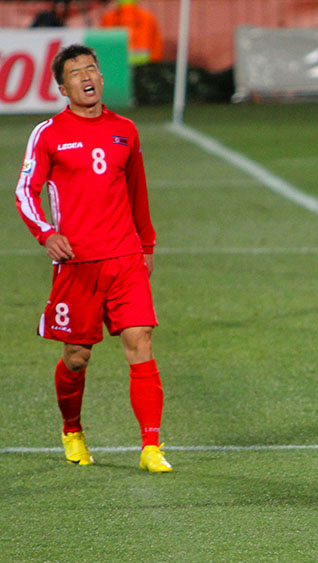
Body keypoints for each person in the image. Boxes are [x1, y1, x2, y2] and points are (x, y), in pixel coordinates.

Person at [15, 44, 172, 473]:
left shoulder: (126, 130)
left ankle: (151, 447)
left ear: (102, 78)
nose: (86, 77)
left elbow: (138, 193)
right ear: (62, 86)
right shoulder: (48, 133)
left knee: (140, 342)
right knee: (76, 357)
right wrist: (46, 233)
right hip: (78, 264)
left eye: (92, 69)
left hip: (124, 256)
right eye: (76, 73)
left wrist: (147, 245)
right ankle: (72, 429)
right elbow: (24, 192)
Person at [100, 0, 164, 65]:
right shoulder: (148, 18)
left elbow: (103, 50)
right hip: (145, 68)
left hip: (115, 67)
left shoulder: (108, 19)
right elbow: (157, 52)